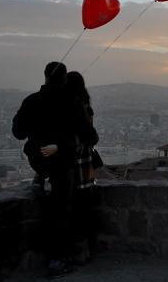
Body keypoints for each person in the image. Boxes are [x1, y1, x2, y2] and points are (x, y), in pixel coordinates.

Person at [12, 62, 96, 278]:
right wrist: (62, 142)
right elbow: (89, 136)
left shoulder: (31, 101)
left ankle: (38, 181)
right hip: (62, 163)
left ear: (46, 77)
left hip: (38, 161)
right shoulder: (72, 103)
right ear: (64, 79)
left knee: (50, 209)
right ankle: (56, 260)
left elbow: (18, 131)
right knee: (61, 211)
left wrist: (39, 138)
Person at [65, 71, 100, 264]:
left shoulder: (66, 107)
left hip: (71, 161)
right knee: (84, 206)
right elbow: (91, 137)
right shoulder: (87, 108)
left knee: (72, 208)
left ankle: (77, 251)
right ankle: (86, 250)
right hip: (86, 163)